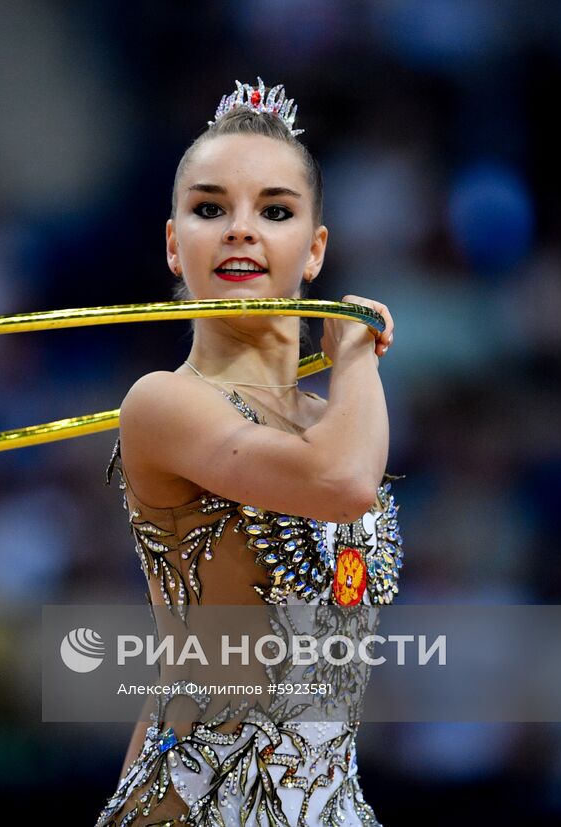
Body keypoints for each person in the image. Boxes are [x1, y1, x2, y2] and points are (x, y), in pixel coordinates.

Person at [94, 80, 401, 826]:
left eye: (274, 210)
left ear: (315, 248)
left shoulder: (336, 420)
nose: (240, 229)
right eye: (208, 209)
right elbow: (345, 482)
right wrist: (355, 353)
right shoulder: (163, 403)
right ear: (174, 243)